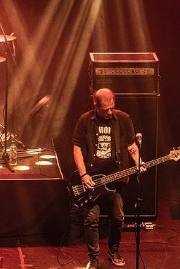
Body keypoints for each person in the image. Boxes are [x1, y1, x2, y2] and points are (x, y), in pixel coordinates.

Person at [71, 88, 140, 268]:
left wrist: (139, 162)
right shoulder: (85, 120)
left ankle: (114, 251)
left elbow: (131, 145)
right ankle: (93, 259)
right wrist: (83, 174)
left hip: (115, 181)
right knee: (91, 220)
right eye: (105, 109)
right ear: (95, 105)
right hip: (92, 180)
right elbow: (77, 147)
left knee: (118, 218)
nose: (109, 112)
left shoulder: (123, 119)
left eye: (111, 107)